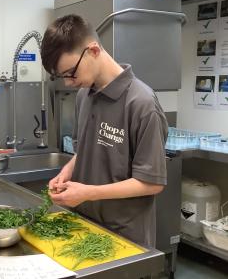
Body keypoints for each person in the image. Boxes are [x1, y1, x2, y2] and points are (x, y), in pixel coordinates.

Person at [41, 14, 168, 247]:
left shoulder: (142, 103)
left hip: (125, 236)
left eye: (70, 72)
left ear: (93, 51)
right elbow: (86, 150)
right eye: (61, 77)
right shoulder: (84, 95)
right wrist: (68, 171)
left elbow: (152, 183)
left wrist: (88, 193)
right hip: (86, 226)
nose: (68, 83)